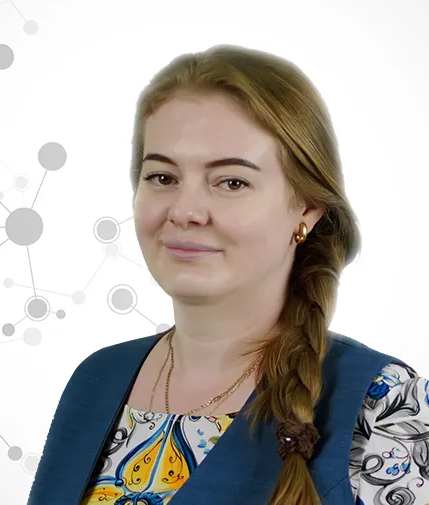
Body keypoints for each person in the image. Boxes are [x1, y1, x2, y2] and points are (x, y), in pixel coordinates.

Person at [27, 45, 429, 505]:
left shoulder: (384, 407)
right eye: (162, 177)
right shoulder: (96, 380)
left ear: (307, 209)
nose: (185, 211)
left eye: (232, 182)